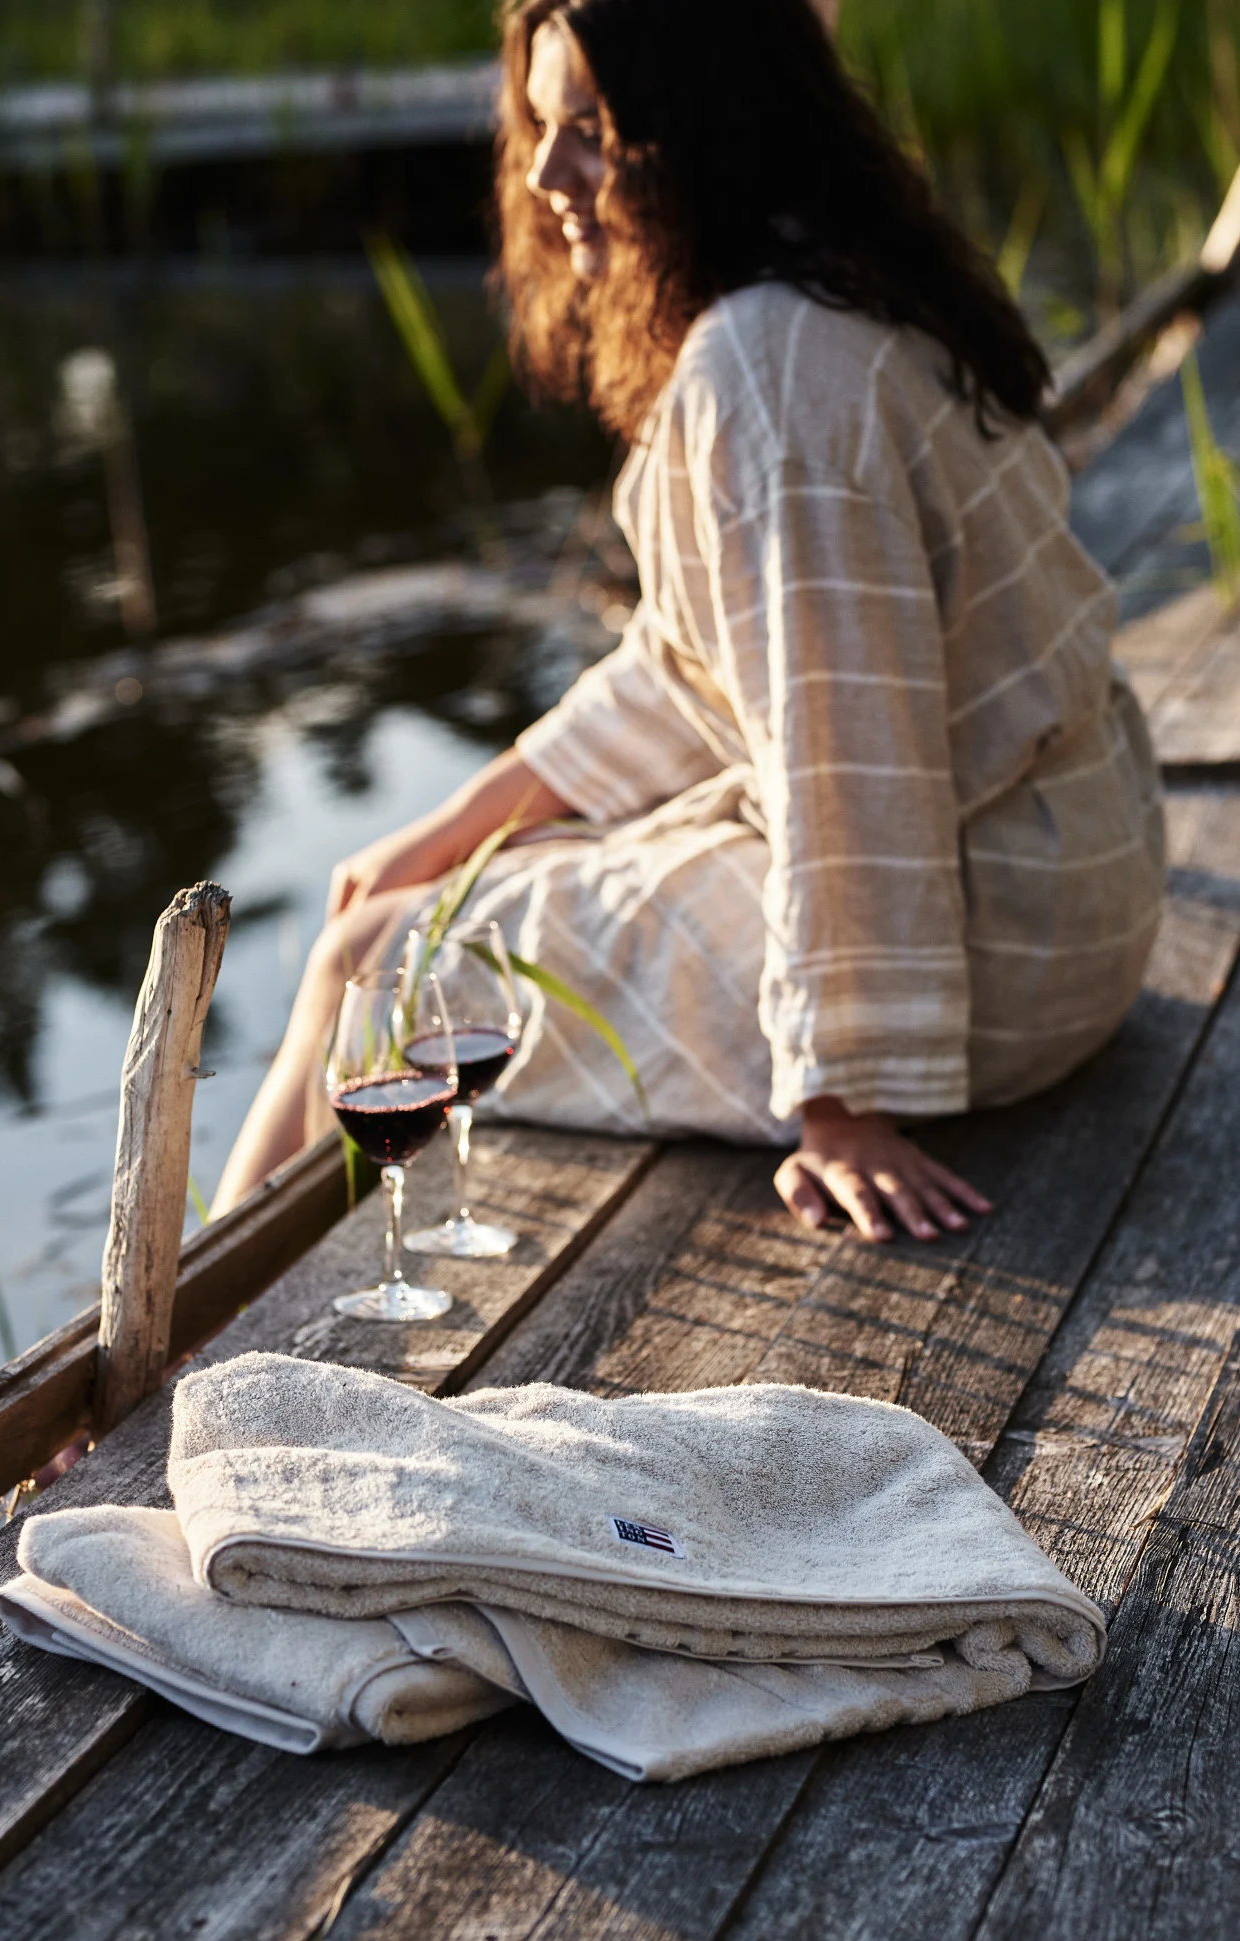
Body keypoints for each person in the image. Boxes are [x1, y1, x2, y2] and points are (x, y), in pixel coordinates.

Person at [212, 0, 1164, 1243]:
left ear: (704, 125)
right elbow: (692, 663)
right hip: (1068, 887)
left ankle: (191, 1327)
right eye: (542, 126)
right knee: (419, 898)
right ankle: (214, 1291)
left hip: (994, 960)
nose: (547, 175)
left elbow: (842, 752)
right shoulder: (834, 272)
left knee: (366, 962)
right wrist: (448, 830)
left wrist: (842, 1100)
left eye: (595, 134)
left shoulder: (764, 370)